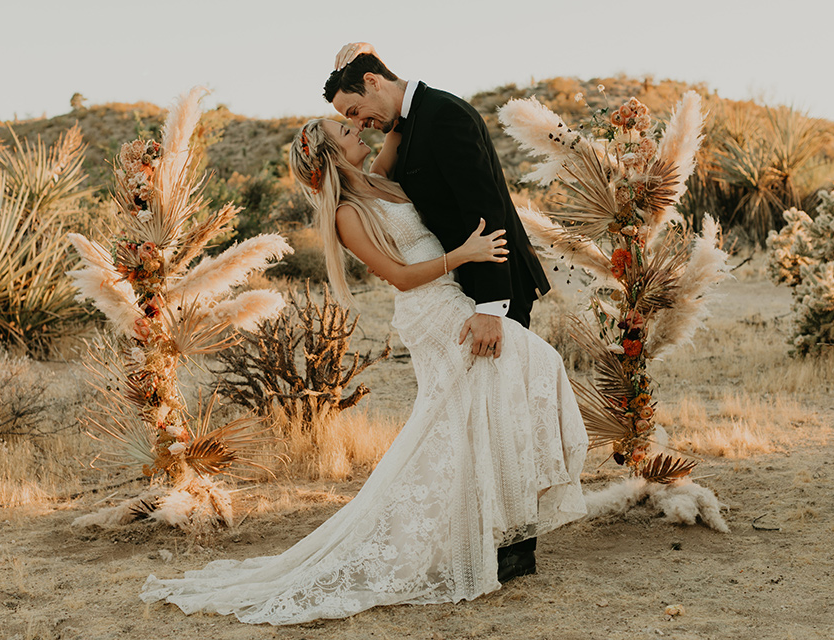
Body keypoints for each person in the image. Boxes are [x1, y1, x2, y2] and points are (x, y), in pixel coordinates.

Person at [139, 117, 587, 626]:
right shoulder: (347, 215)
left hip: (449, 297)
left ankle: (494, 531)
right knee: (516, 375)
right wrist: (463, 255)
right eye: (347, 132)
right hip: (430, 308)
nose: (358, 132)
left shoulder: (377, 172)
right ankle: (469, 531)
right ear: (331, 155)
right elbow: (397, 275)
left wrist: (363, 61)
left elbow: (401, 115)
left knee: (469, 410)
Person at [325, 43, 551, 580]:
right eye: (347, 124)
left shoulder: (440, 116)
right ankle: (494, 541)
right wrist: (357, 69)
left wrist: (493, 306)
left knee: (499, 413)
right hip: (446, 300)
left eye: (355, 111)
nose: (360, 124)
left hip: (485, 294)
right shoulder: (403, 132)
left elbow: (485, 208)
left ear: (375, 81)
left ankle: (509, 541)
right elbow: (391, 121)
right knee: (473, 418)